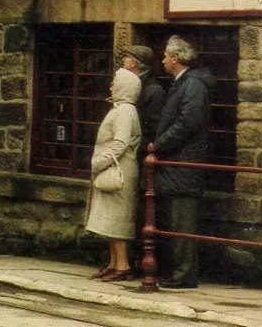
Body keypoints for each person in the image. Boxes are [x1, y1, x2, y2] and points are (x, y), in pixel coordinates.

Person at [153, 35, 215, 289]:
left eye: (166, 56)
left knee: (182, 223)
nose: (163, 60)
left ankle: (184, 275)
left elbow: (187, 123)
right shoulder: (183, 84)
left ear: (176, 58)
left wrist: (158, 145)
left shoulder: (192, 85)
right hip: (176, 166)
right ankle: (178, 271)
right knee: (175, 222)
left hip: (184, 166)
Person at [85, 67, 142, 282]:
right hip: (113, 169)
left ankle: (123, 265)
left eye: (115, 82)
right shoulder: (120, 109)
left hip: (120, 170)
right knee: (109, 220)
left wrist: (99, 162)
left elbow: (120, 143)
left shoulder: (126, 111)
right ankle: (113, 263)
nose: (111, 86)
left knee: (117, 220)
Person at [121, 45, 166, 271]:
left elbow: (152, 127)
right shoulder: (135, 86)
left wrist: (139, 149)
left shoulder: (152, 89)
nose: (123, 62)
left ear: (135, 63)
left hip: (140, 157)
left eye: (126, 58)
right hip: (133, 155)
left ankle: (140, 261)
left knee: (141, 209)